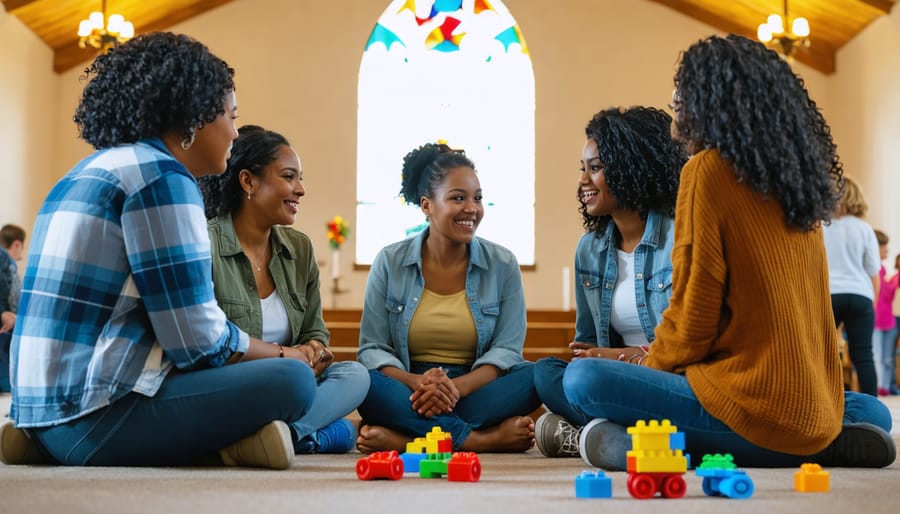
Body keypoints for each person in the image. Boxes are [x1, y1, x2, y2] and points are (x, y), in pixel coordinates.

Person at [562, 34, 895, 470]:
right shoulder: (799, 182)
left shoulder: (706, 171)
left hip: (743, 396)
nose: (673, 103)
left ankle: (665, 446)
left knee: (584, 379)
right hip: (809, 403)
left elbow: (693, 321)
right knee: (873, 410)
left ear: (710, 99)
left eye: (681, 93)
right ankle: (818, 442)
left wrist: (647, 369)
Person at [0, 32, 319, 469]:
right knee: (294, 381)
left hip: (37, 410)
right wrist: (285, 353)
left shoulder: (88, 168)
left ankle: (40, 442)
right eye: (230, 116)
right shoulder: (163, 179)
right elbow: (199, 342)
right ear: (193, 118)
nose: (233, 132)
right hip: (93, 418)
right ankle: (235, 442)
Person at [355, 142, 540, 454]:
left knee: (538, 374)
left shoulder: (503, 263)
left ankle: (408, 438)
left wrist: (454, 388)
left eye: (477, 198)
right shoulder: (389, 260)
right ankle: (477, 440)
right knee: (362, 381)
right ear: (427, 205)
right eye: (458, 198)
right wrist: (418, 383)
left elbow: (507, 350)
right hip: (410, 386)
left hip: (475, 387)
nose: (472, 208)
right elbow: (372, 349)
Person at [198, 124, 369, 454]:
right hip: (235, 385)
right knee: (340, 432)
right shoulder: (206, 244)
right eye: (289, 177)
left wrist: (315, 350)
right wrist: (288, 360)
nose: (301, 189)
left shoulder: (299, 249)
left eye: (300, 178)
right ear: (248, 181)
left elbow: (314, 329)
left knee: (356, 375)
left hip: (291, 385)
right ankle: (301, 434)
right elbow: (208, 342)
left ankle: (283, 436)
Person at [532, 106, 686, 458]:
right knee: (545, 373)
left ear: (632, 166)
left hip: (669, 376)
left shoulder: (680, 237)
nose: (584, 181)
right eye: (583, 169)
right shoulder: (590, 249)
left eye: (596, 168)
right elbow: (585, 342)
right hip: (614, 379)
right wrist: (591, 359)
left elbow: (688, 347)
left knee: (587, 380)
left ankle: (593, 432)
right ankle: (614, 432)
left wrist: (618, 358)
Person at [824, 177, 880, 396]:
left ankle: (827, 403)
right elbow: (873, 270)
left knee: (823, 353)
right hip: (860, 294)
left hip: (829, 293)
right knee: (864, 355)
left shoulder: (820, 226)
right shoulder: (864, 229)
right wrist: (872, 302)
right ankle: (873, 413)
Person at [872, 230, 897, 396]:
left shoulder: (883, 269)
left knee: (888, 358)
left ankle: (885, 387)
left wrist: (893, 281)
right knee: (877, 356)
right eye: (884, 247)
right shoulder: (874, 268)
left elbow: (888, 295)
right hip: (876, 319)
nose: (887, 250)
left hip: (889, 319)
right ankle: (878, 387)